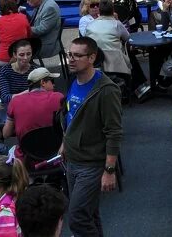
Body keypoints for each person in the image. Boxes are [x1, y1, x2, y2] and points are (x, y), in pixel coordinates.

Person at [61, 36, 124, 236]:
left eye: (78, 56)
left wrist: (109, 170)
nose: (71, 59)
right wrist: (65, 142)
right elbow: (72, 115)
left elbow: (114, 132)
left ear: (92, 58)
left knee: (77, 217)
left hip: (91, 163)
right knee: (90, 214)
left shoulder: (106, 90)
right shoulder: (73, 79)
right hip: (72, 159)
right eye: (70, 54)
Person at [3, 67, 65, 157]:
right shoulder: (59, 97)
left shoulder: (15, 101)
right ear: (43, 82)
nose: (54, 85)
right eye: (52, 81)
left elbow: (6, 133)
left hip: (27, 157)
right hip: (56, 153)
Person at [0, 0, 33, 69]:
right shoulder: (23, 17)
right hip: (22, 56)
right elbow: (29, 35)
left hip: (4, 59)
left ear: (0, 9)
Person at [26, 0, 63, 64]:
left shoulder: (49, 8)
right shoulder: (41, 3)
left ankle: (27, 71)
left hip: (46, 44)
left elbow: (43, 29)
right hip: (39, 40)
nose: (27, 2)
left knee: (18, 50)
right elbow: (35, 22)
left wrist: (24, 29)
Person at [0, 39, 36, 105]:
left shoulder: (36, 70)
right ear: (15, 55)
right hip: (12, 105)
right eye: (21, 55)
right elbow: (5, 98)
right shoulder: (5, 71)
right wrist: (28, 92)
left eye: (28, 54)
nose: (26, 58)